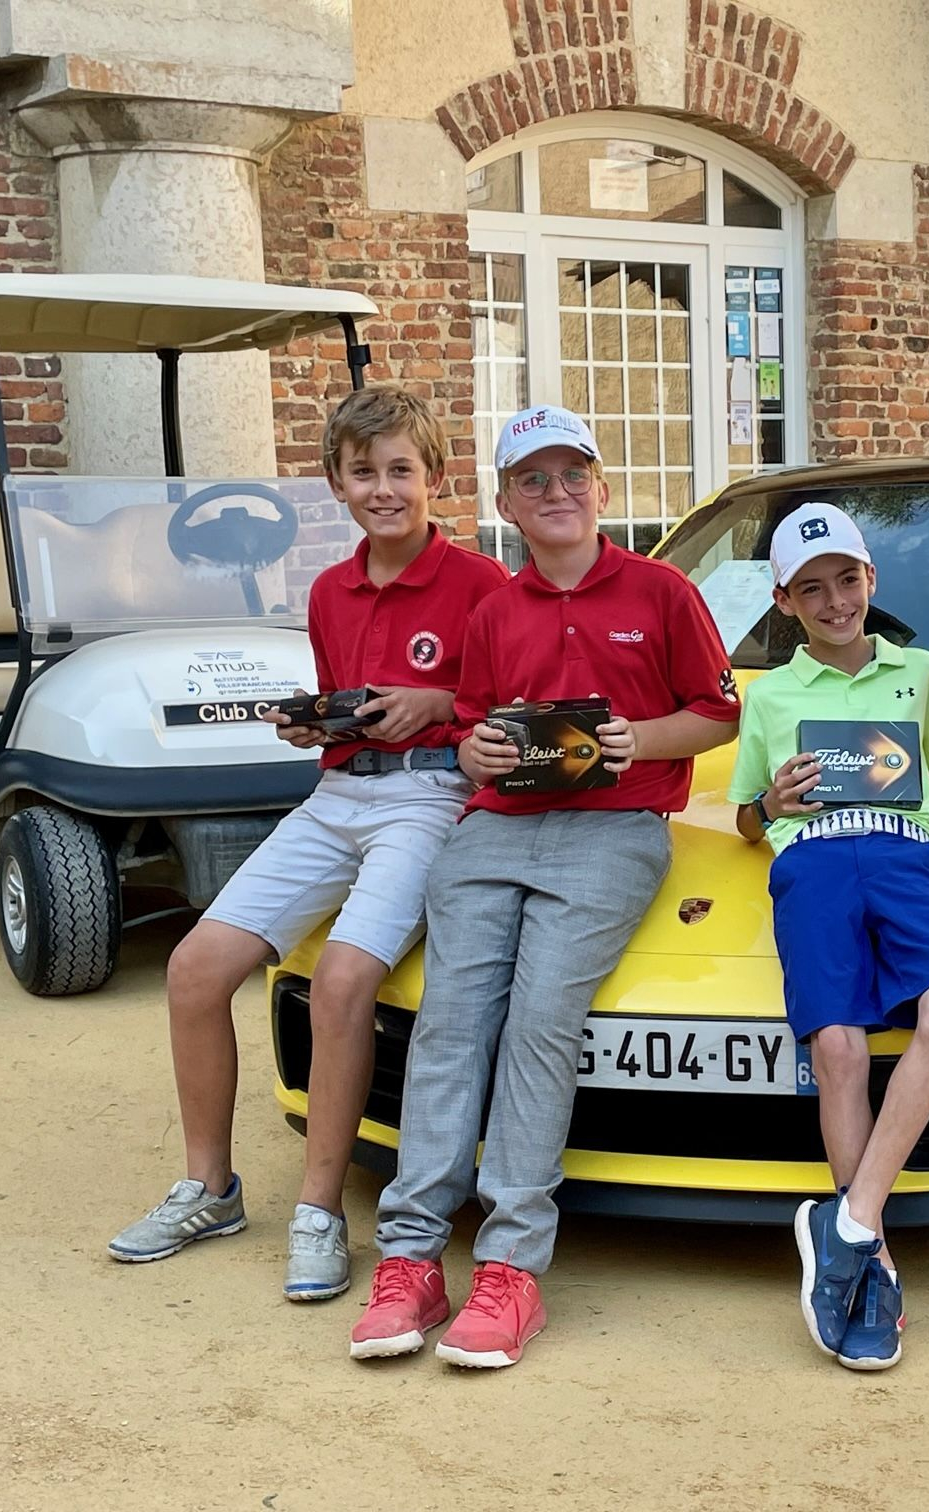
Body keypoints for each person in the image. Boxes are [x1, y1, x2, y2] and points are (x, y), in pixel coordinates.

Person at [350, 404, 738, 1369]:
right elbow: (475, 724)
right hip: (497, 829)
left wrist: (641, 739)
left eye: (572, 475)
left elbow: (718, 713)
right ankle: (410, 1258)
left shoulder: (662, 591)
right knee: (449, 1025)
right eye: (533, 479)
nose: (556, 492)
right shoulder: (494, 610)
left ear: (602, 489)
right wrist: (476, 751)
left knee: (540, 1024)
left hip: (614, 829)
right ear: (506, 503)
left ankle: (511, 1267)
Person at [107, 385, 510, 1300]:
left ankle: (320, 1209)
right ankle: (210, 1187)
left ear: (436, 477)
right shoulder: (329, 591)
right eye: (363, 472)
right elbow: (346, 712)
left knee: (340, 979)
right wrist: (314, 726)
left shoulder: (482, 584)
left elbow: (505, 708)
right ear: (335, 481)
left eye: (400, 470)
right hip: (337, 795)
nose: (383, 489)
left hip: (431, 797)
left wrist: (438, 704)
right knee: (194, 970)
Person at [727, 501, 929, 1372]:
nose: (835, 601)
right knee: (838, 1047)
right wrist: (772, 803)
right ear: (784, 601)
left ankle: (851, 1220)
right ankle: (874, 1269)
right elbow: (746, 818)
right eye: (812, 589)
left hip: (905, 857)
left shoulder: (920, 671)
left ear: (871, 579)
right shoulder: (769, 695)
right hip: (814, 861)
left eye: (846, 580)